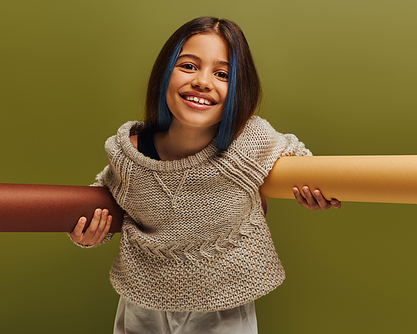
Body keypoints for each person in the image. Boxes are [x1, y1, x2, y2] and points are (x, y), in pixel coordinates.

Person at [68, 16, 341, 334]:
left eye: (222, 73)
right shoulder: (128, 154)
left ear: (240, 88)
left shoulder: (250, 141)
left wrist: (317, 192)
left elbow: (300, 160)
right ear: (164, 74)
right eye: (188, 66)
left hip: (223, 305)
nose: (202, 81)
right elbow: (102, 202)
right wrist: (86, 235)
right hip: (143, 303)